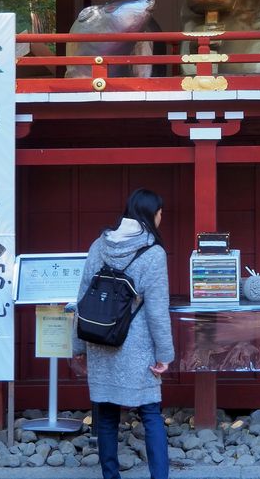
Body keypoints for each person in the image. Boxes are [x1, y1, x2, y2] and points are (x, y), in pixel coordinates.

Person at [73, 188, 174, 479]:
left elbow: (82, 298)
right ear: (151, 214)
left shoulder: (99, 245)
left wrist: (77, 345)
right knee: (151, 413)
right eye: (160, 213)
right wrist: (165, 355)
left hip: (99, 341)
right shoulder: (153, 253)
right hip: (137, 346)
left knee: (105, 416)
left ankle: (111, 476)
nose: (161, 218)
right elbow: (156, 310)